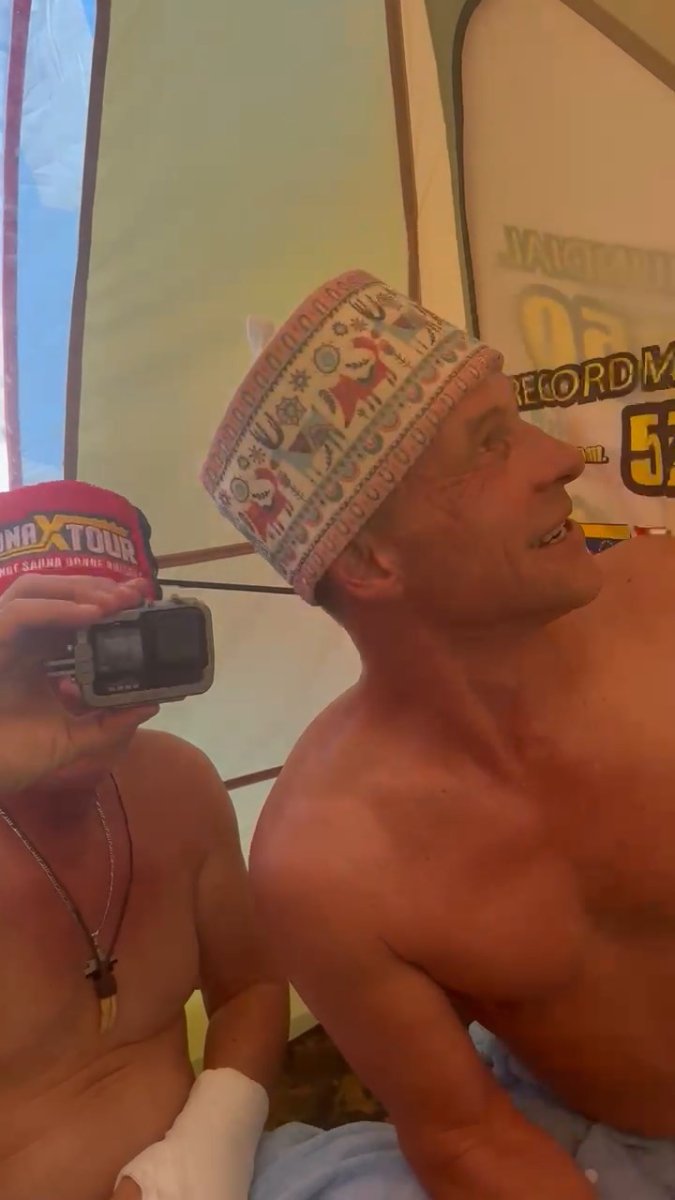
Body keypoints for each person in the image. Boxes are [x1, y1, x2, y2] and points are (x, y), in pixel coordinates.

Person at [202, 268, 675, 1199]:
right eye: (490, 444)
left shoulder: (665, 613)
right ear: (370, 558)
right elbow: (462, 1134)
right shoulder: (323, 861)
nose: (561, 459)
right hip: (585, 1142)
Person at [0, 479, 288, 1200]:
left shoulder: (180, 784)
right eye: (38, 650)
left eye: (106, 643)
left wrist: (206, 1151)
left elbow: (250, 989)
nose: (73, 684)